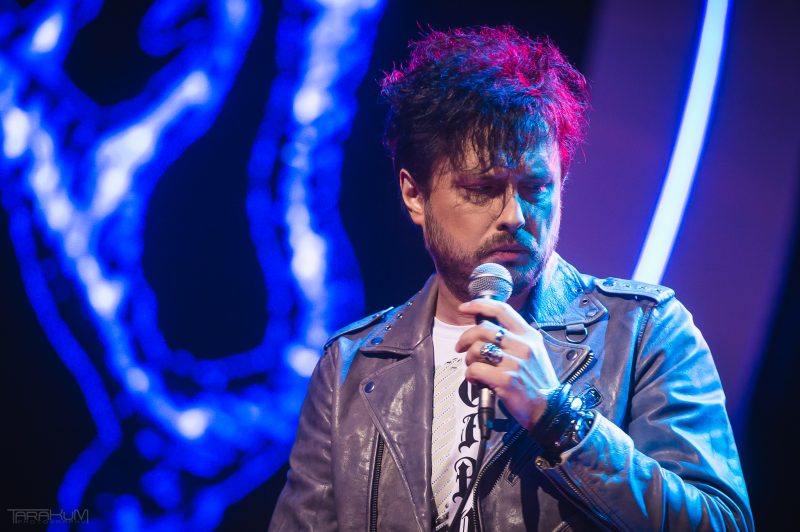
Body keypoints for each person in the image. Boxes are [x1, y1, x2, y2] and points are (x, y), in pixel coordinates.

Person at [269, 26, 753, 531]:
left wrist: (560, 417)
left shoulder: (645, 331)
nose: (515, 216)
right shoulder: (351, 366)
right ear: (415, 195)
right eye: (482, 189)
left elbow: (722, 523)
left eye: (536, 186)